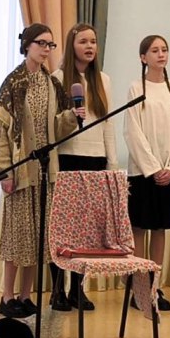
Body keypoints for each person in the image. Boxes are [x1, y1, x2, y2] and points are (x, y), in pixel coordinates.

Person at [0, 23, 81, 318]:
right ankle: (7, 297)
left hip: (45, 171)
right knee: (17, 236)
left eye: (50, 44)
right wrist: (5, 170)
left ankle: (26, 296)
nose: (46, 49)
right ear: (27, 45)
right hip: (20, 171)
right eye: (41, 43)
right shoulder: (14, 82)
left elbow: (56, 128)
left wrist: (72, 116)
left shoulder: (51, 83)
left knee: (37, 238)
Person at [49, 23, 117, 312]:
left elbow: (107, 123)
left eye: (93, 42)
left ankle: (78, 288)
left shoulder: (103, 80)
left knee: (85, 230)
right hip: (68, 157)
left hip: (95, 159)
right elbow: (52, 126)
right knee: (63, 228)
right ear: (71, 46)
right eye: (83, 42)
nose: (89, 47)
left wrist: (111, 163)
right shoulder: (57, 78)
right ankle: (57, 289)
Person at [123, 34, 170, 311]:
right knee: (139, 229)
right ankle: (138, 288)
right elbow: (132, 131)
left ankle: (155, 287)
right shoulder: (136, 88)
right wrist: (152, 168)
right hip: (142, 172)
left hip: (167, 173)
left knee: (160, 229)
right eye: (154, 50)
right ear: (143, 57)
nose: (161, 54)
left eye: (164, 50)